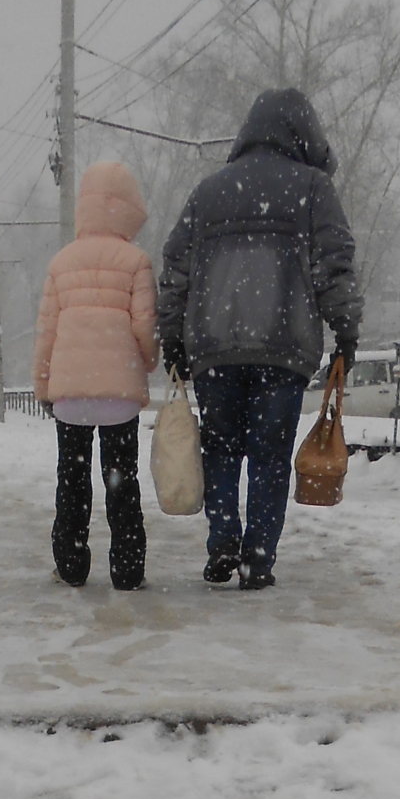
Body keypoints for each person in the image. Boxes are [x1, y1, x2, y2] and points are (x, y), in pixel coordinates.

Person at [158, 87, 362, 590]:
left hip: (214, 348)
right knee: (270, 456)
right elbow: (333, 268)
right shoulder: (312, 189)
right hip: (283, 347)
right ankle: (258, 558)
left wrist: (173, 337)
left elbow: (175, 270)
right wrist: (346, 333)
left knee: (222, 447)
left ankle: (223, 537)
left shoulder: (208, 192)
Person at [32, 162, 158, 590]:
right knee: (121, 481)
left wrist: (43, 384)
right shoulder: (136, 261)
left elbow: (46, 332)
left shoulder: (61, 263)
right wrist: (149, 359)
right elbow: (144, 324)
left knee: (72, 479)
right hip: (119, 392)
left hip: (71, 395)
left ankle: (70, 563)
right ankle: (127, 568)